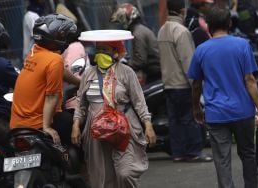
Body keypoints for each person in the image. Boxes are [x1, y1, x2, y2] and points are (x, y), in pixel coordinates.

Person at [188, 5, 258, 188]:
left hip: (216, 114)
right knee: (248, 154)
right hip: (243, 112)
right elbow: (250, 80)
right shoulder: (242, 45)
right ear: (229, 23)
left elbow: (196, 85)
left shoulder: (201, 50)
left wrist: (196, 108)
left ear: (208, 25)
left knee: (222, 159)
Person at [71, 30, 157, 188]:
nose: (101, 53)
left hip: (123, 129)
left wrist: (148, 125)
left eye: (105, 49)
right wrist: (76, 126)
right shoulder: (88, 74)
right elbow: (81, 104)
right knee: (103, 176)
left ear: (115, 52)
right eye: (99, 49)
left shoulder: (126, 72)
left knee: (125, 173)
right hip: (96, 131)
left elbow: (139, 101)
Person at [157, 0, 212, 163]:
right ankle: (194, 151)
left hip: (168, 83)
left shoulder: (162, 31)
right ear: (183, 11)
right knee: (190, 118)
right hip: (182, 84)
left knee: (175, 120)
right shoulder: (181, 31)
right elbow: (188, 61)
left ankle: (178, 153)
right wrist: (196, 85)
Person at [10, 14, 78, 145]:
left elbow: (61, 71)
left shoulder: (34, 52)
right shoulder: (55, 60)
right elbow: (52, 96)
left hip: (17, 124)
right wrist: (46, 127)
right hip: (38, 122)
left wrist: (81, 82)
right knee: (76, 123)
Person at [110, 3, 161, 85]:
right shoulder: (140, 30)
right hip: (153, 73)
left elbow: (140, 60)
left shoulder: (138, 33)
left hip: (155, 74)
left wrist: (125, 64)